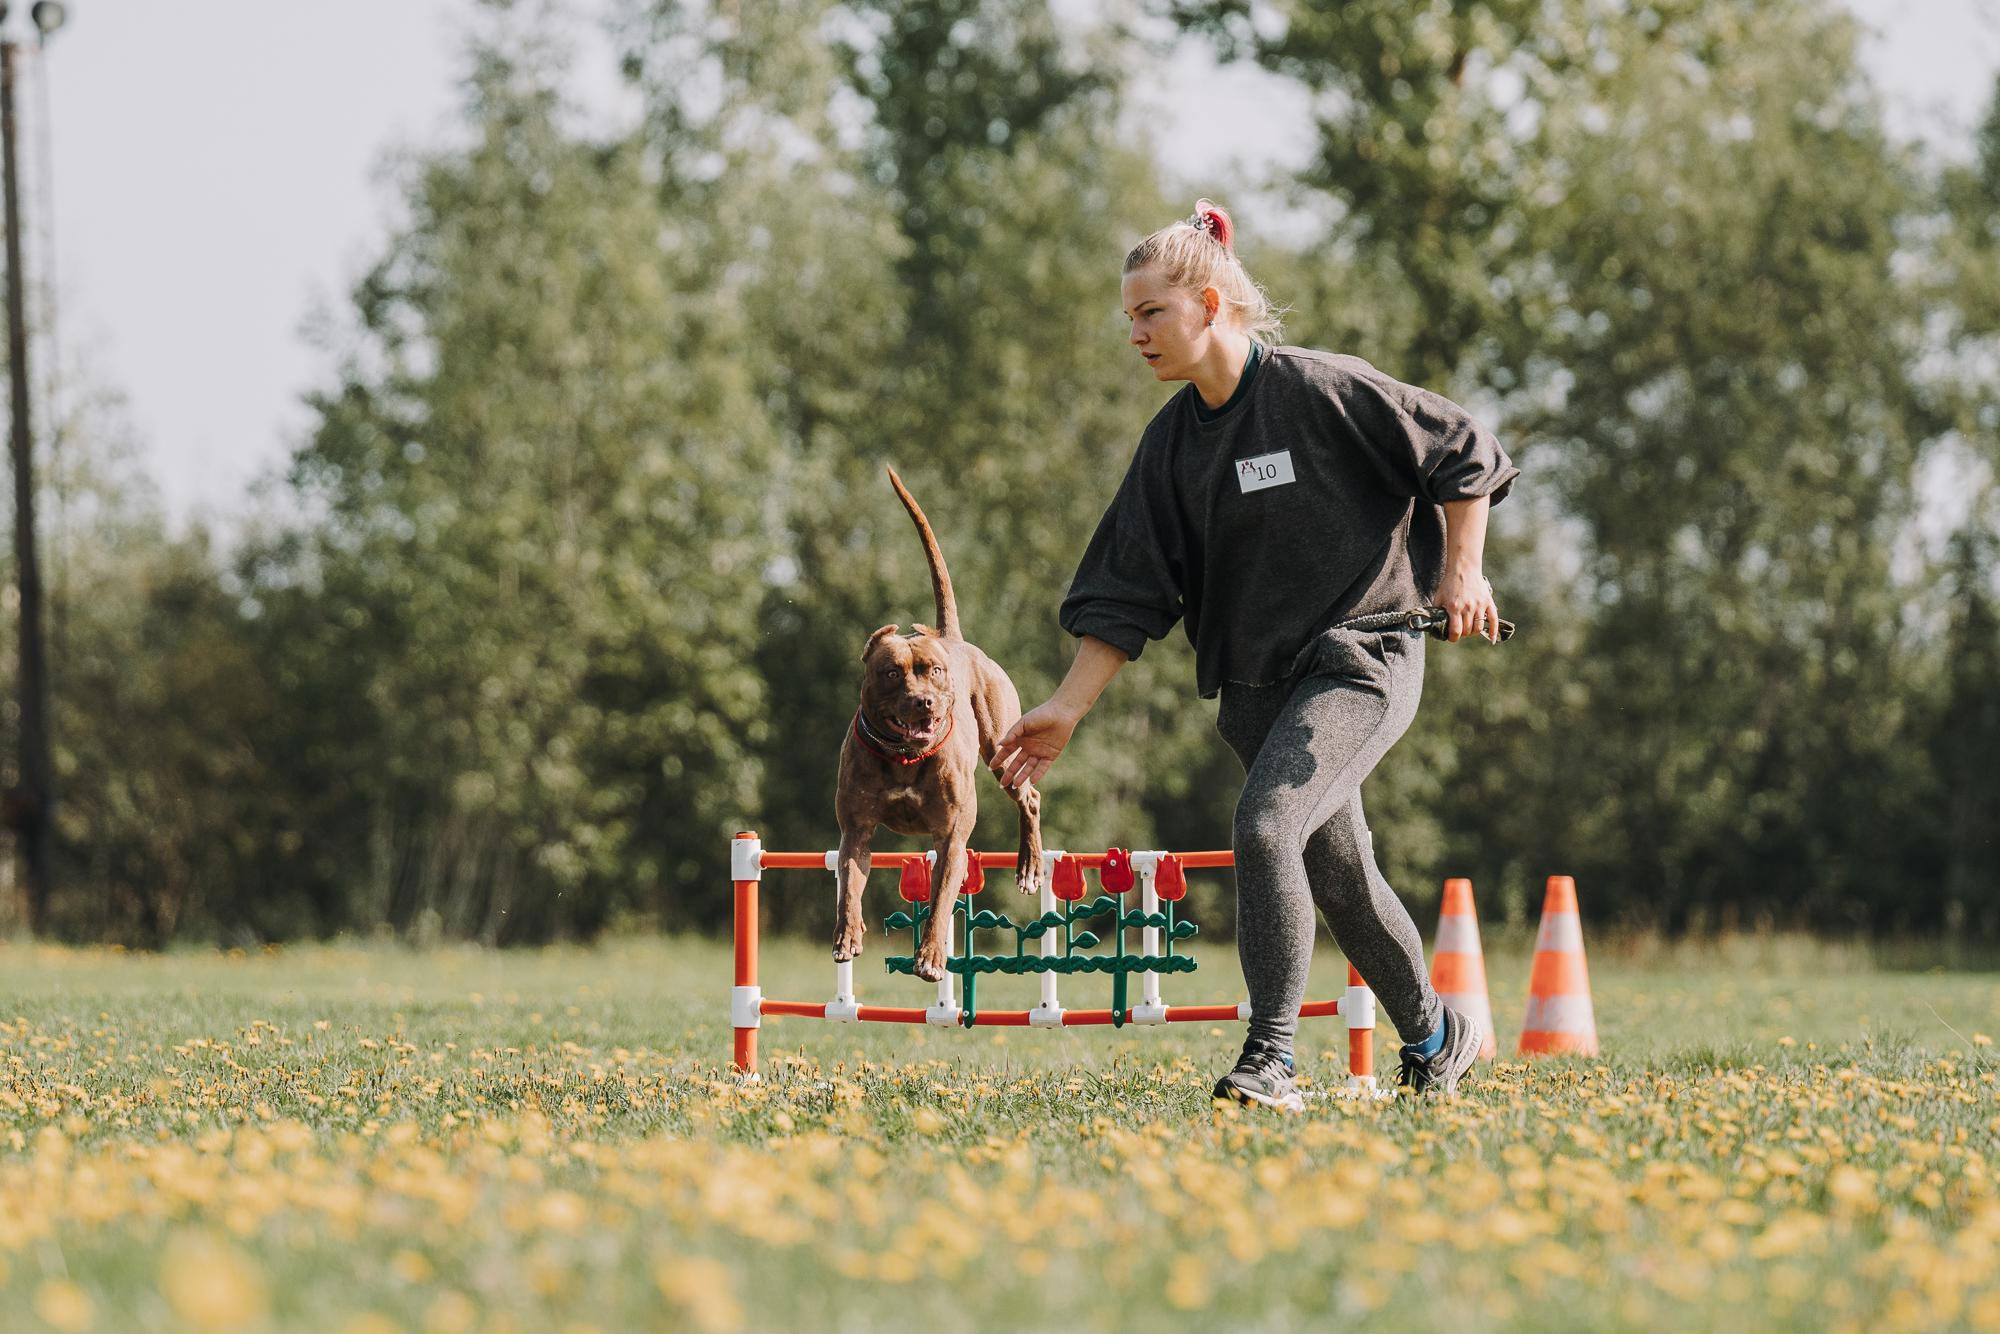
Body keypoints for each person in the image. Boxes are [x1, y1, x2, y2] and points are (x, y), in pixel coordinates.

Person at [989, 200, 1518, 1111]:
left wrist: (1462, 574)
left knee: (1266, 826)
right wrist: (1066, 707)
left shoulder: (1319, 390)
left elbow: (1464, 448)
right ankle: (1438, 1036)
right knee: (1339, 875)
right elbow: (1127, 589)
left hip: (1364, 660)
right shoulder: (1170, 448)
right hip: (1255, 689)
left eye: (1151, 313)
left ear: (1209, 304)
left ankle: (1271, 1058)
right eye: (1129, 318)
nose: (1136, 334)